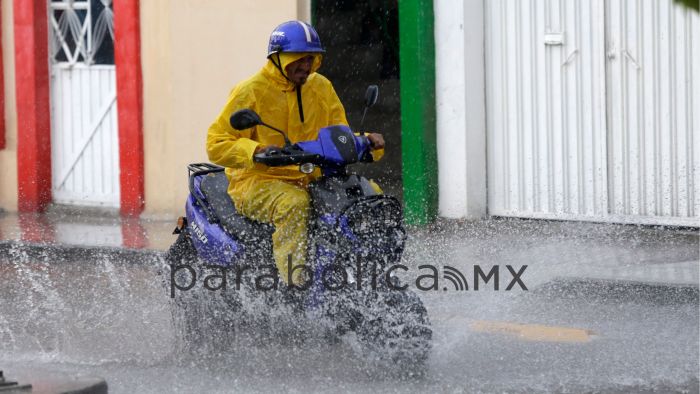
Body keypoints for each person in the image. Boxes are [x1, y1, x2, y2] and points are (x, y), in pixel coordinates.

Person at [206, 21, 385, 286]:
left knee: (370, 196)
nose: (305, 65)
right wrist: (255, 150)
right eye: (298, 59)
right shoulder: (251, 90)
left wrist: (365, 141)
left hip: (313, 177)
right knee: (294, 204)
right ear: (277, 58)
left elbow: (339, 133)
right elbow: (216, 143)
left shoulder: (321, 87)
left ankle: (375, 274)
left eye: (311, 58)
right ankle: (295, 285)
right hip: (258, 182)